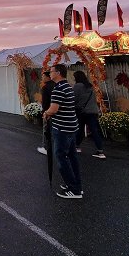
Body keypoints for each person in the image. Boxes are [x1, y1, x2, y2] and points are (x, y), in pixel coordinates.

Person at [42, 64, 82, 199]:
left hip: (62, 127)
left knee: (61, 157)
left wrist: (46, 113)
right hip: (71, 125)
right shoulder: (68, 87)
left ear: (58, 73)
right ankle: (77, 185)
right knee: (72, 156)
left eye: (51, 71)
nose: (49, 73)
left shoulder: (58, 89)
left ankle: (73, 189)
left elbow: (54, 109)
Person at [73, 71, 106, 159]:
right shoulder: (90, 86)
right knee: (95, 131)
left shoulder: (77, 86)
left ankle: (77, 146)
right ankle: (100, 151)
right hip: (93, 111)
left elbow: (74, 99)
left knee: (79, 129)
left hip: (83, 112)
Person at [37, 71, 55, 155]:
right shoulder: (56, 85)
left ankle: (46, 148)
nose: (42, 78)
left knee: (46, 130)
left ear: (48, 77)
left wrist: (44, 111)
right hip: (57, 112)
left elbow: (45, 102)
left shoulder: (45, 87)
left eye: (43, 76)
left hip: (48, 112)